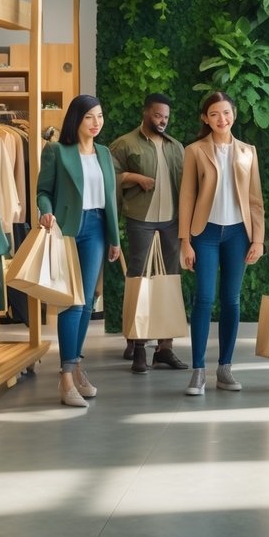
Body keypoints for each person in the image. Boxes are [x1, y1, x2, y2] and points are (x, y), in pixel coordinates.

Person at [36, 94, 122, 408]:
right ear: (77, 119)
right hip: (69, 228)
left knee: (87, 304)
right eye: (89, 117)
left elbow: (110, 199)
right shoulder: (57, 151)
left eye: (99, 116)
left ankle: (77, 364)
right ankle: (66, 376)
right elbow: (43, 191)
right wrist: (45, 212)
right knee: (72, 303)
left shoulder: (103, 152)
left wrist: (115, 238)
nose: (96, 123)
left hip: (97, 229)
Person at [178, 91, 265, 396]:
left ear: (234, 115)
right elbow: (187, 196)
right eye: (214, 114)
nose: (221, 119)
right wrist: (185, 241)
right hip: (205, 234)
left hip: (238, 235)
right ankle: (198, 370)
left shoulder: (248, 152)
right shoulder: (195, 151)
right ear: (205, 118)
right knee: (203, 298)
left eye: (226, 113)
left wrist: (258, 238)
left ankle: (225, 368)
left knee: (231, 300)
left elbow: (255, 200)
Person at [109, 92, 188, 374]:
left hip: (171, 222)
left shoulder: (177, 147)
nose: (162, 121)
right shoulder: (125, 144)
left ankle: (164, 348)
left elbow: (187, 187)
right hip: (140, 220)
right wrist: (134, 178)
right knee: (139, 281)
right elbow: (109, 177)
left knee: (168, 281)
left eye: (166, 117)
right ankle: (138, 346)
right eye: (157, 115)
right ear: (145, 113)